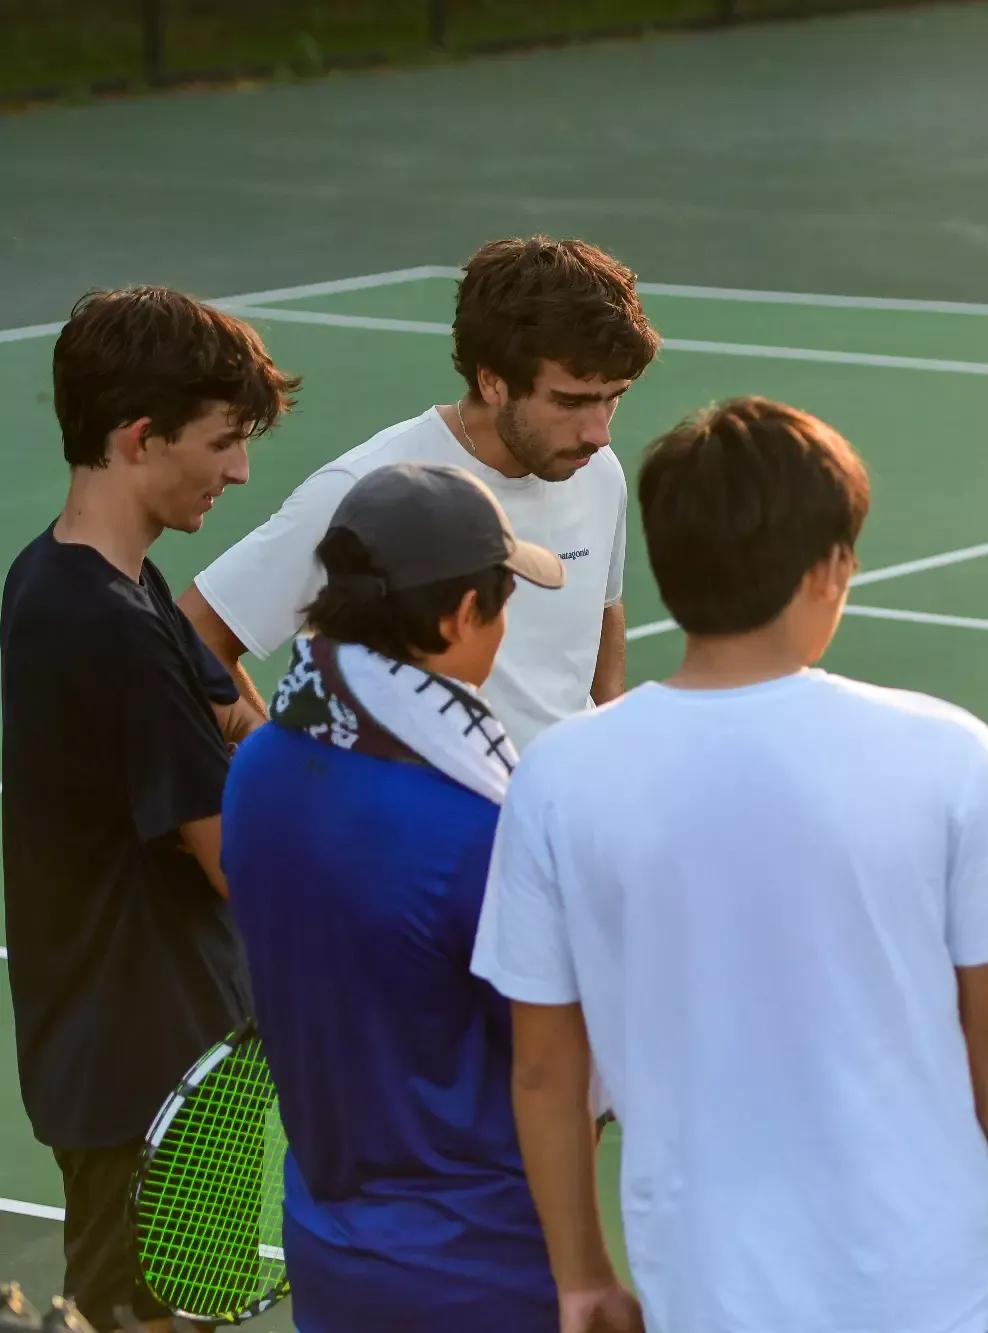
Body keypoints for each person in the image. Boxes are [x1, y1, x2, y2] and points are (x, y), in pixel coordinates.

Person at [470, 396, 988, 1333]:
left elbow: (546, 1069)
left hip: (707, 1295)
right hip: (940, 1284)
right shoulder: (946, 752)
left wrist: (581, 1275)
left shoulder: (557, 775)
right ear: (829, 568)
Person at [1, 287, 297, 1332]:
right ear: (140, 438)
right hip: (150, 1072)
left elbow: (242, 720)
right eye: (222, 441)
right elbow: (239, 861)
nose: (239, 469)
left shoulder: (90, 581)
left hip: (160, 1049)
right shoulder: (109, 628)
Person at [221, 463, 568, 1331]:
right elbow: (554, 1066)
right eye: (503, 600)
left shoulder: (256, 768)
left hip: (328, 1256)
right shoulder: (479, 830)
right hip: (481, 1272)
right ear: (460, 616)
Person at [179, 234, 659, 749]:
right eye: (570, 402)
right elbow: (195, 636)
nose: (599, 432)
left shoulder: (597, 470)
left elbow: (602, 607)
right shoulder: (366, 489)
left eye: (613, 398)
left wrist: (612, 742)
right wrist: (280, 764)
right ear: (492, 381)